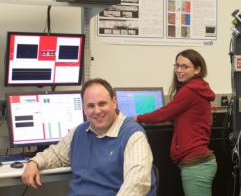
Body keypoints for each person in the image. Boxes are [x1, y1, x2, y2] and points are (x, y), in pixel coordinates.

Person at [22, 78, 156, 196]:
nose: (97, 111)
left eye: (102, 103)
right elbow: (56, 154)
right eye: (90, 106)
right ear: (84, 109)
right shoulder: (79, 133)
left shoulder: (133, 135)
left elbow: (137, 186)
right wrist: (34, 163)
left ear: (114, 102)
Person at [134, 49, 217, 196]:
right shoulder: (198, 87)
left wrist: (137, 118)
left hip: (196, 164)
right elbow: (179, 115)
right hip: (197, 162)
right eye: (177, 65)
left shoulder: (190, 90)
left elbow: (163, 114)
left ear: (197, 69)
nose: (179, 70)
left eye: (184, 67)